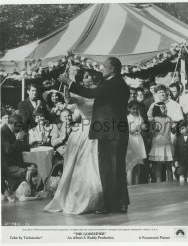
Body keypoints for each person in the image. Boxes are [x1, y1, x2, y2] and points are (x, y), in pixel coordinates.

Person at [45, 57, 130, 214]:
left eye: (105, 66)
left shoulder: (111, 84)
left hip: (109, 133)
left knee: (108, 169)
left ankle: (111, 205)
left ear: (112, 68)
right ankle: (121, 203)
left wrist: (69, 82)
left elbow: (90, 93)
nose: (102, 69)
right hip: (117, 132)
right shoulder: (121, 83)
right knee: (117, 169)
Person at [44, 68, 104, 214]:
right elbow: (68, 99)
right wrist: (66, 83)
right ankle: (82, 198)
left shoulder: (99, 91)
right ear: (81, 80)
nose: (89, 79)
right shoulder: (79, 94)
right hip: (84, 131)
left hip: (100, 129)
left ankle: (99, 198)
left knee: (97, 165)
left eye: (90, 76)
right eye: (86, 77)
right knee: (83, 166)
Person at [1, 114, 30, 197]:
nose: (20, 129)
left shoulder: (8, 130)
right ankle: (25, 192)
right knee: (31, 170)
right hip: (8, 166)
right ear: (15, 124)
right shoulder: (3, 131)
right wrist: (18, 139)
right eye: (19, 126)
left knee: (33, 166)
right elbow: (8, 150)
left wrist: (30, 146)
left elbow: (18, 146)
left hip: (14, 162)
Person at [149, 102, 174, 182]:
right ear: (158, 109)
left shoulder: (169, 118)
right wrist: (154, 130)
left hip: (167, 144)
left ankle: (171, 183)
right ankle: (158, 184)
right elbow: (150, 132)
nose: (165, 109)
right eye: (163, 108)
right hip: (158, 145)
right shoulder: (155, 119)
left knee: (169, 166)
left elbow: (173, 131)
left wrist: (174, 126)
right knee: (158, 166)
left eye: (165, 107)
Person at [126, 101, 147, 185]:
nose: (135, 110)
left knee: (138, 165)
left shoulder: (140, 118)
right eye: (133, 109)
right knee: (131, 166)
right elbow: (126, 131)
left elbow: (143, 128)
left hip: (139, 141)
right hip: (131, 141)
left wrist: (143, 127)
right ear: (129, 109)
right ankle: (131, 186)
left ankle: (137, 185)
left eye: (136, 109)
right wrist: (135, 130)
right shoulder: (127, 118)